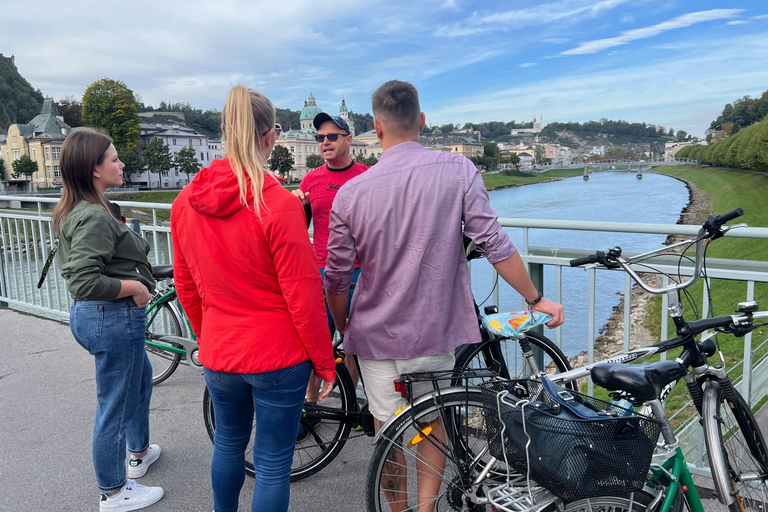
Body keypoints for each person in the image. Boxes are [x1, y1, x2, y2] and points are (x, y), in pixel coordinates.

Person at [324, 80, 564, 512]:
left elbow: (337, 278)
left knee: (390, 433)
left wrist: (345, 328)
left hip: (374, 337)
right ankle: (427, 508)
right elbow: (493, 242)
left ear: (375, 129)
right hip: (433, 330)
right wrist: (534, 299)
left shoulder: (350, 194)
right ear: (422, 121)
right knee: (432, 425)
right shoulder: (457, 171)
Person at [170, 85, 335, 512]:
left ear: (224, 131)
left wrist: (211, 337)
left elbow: (187, 286)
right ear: (270, 137)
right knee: (274, 463)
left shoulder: (184, 203)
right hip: (278, 355)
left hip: (222, 351)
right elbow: (303, 295)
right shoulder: (278, 204)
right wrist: (322, 362)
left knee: (227, 444)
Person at [52, 128, 164, 512]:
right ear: (94, 169)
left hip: (102, 317)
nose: (122, 163)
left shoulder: (88, 208)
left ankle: (139, 452)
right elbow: (84, 280)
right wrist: (134, 286)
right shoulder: (93, 216)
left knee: (140, 381)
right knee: (115, 403)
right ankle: (114, 492)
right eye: (114, 159)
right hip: (111, 316)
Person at [292, 113, 369, 438]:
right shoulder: (310, 180)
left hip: (360, 273)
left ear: (348, 139)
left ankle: (350, 406)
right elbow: (299, 230)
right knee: (312, 345)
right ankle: (310, 407)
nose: (325, 142)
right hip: (320, 273)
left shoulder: (366, 176)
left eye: (332, 136)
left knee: (357, 344)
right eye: (321, 137)